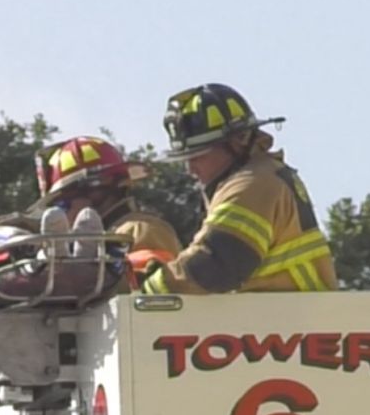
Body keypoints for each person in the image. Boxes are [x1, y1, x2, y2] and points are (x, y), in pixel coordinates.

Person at [140, 84, 336, 295]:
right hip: (286, 319)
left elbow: (214, 265)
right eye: (186, 159)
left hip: (286, 320)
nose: (190, 169)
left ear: (238, 141)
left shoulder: (252, 184)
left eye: (198, 156)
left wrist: (148, 291)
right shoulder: (263, 174)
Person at [33, 136, 181, 276]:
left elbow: (149, 288)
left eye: (62, 204)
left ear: (95, 191)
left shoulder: (139, 229)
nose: (62, 214)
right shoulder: (106, 235)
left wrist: (98, 276)